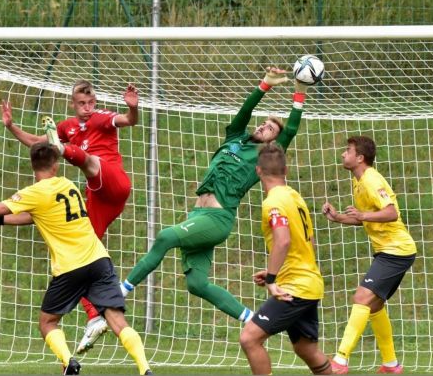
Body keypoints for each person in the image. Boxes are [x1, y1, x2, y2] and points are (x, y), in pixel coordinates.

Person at [119, 67, 308, 325]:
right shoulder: (235, 138)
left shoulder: (263, 156)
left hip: (218, 218)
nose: (264, 127)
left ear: (273, 143)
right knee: (197, 284)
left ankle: (120, 293)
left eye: (271, 130)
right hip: (199, 214)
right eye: (264, 124)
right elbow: (245, 111)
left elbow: (292, 129)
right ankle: (254, 320)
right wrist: (265, 84)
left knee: (165, 237)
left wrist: (300, 92)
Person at [0, 142, 151, 375]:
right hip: (99, 260)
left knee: (47, 322)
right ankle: (145, 368)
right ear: (56, 166)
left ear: (33, 167)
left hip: (70, 267)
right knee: (117, 319)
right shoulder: (68, 185)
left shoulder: (34, 192)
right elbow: (35, 215)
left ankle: (69, 363)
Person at [0, 80, 138, 352]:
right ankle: (95, 316)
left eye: (91, 102)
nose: (88, 108)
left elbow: (128, 120)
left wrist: (133, 109)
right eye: (82, 104)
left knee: (91, 161)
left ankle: (64, 150)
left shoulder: (103, 119)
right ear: (73, 104)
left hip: (114, 181)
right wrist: (11, 126)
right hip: (97, 199)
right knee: (87, 257)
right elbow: (36, 143)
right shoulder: (66, 127)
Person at [322, 136, 417, 374]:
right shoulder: (359, 181)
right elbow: (366, 217)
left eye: (348, 150)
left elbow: (391, 213)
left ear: (360, 158)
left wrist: (363, 215)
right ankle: (391, 364)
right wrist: (339, 218)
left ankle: (340, 360)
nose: (343, 154)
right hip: (390, 251)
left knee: (361, 298)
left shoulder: (372, 180)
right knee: (374, 307)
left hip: (396, 251)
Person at [239, 143, 331, 375]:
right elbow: (308, 241)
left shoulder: (273, 203)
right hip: (309, 281)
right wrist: (277, 271)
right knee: (305, 348)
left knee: (250, 338)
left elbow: (283, 240)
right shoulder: (294, 196)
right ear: (286, 170)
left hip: (295, 287)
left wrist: (272, 279)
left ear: (258, 171)